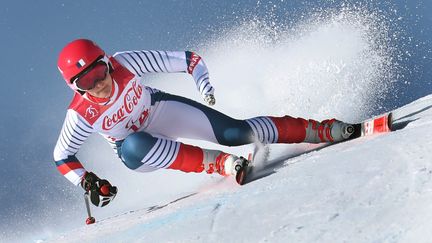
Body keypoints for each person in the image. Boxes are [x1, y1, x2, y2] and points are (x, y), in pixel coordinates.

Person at [54, 39, 355, 207]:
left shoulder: (126, 63)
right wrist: (88, 181)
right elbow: (63, 156)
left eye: (100, 73)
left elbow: (190, 61)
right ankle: (221, 164)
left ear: (108, 63)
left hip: (159, 109)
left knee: (235, 132)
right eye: (86, 82)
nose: (99, 85)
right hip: (138, 150)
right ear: (75, 88)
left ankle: (320, 129)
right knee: (133, 145)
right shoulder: (81, 114)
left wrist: (203, 85)